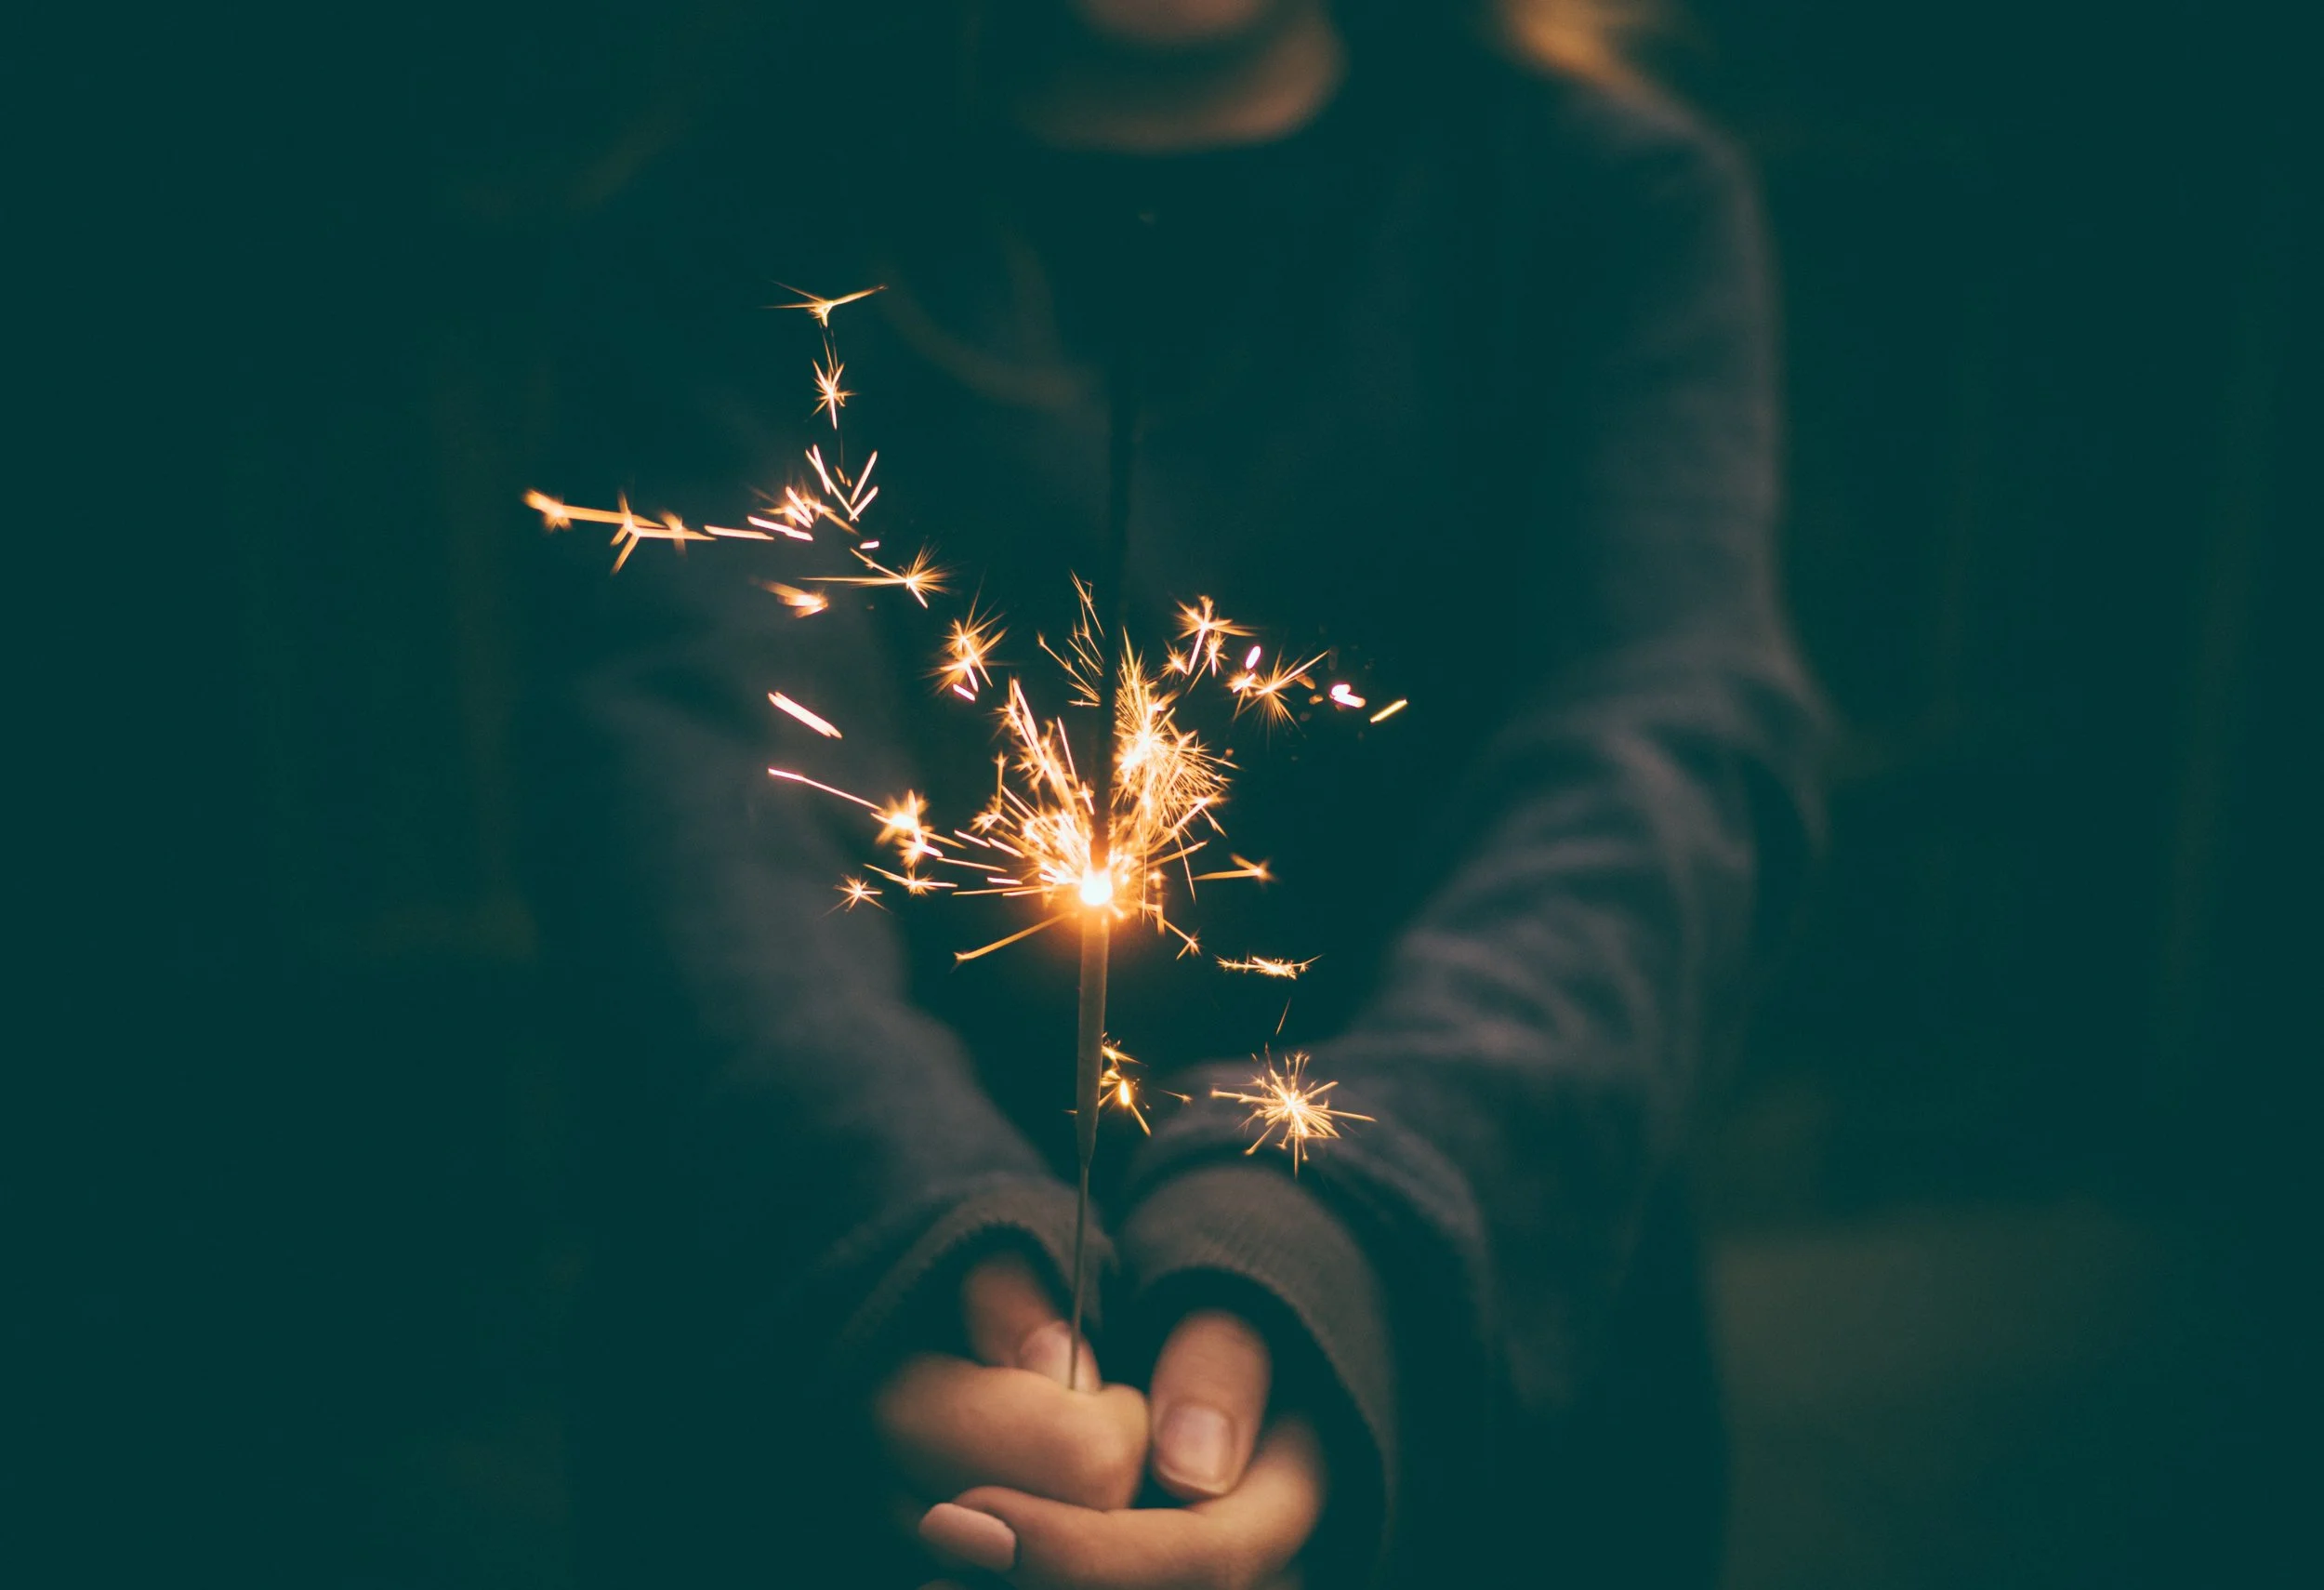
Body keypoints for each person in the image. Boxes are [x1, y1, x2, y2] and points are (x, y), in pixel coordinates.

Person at [525, 2, 1822, 1585]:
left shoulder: (1607, 206)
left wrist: (1330, 1227)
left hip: (1478, 1421)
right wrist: (916, 1239)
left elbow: (1661, 764)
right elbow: (683, 790)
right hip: (824, 1428)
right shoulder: (721, 230)